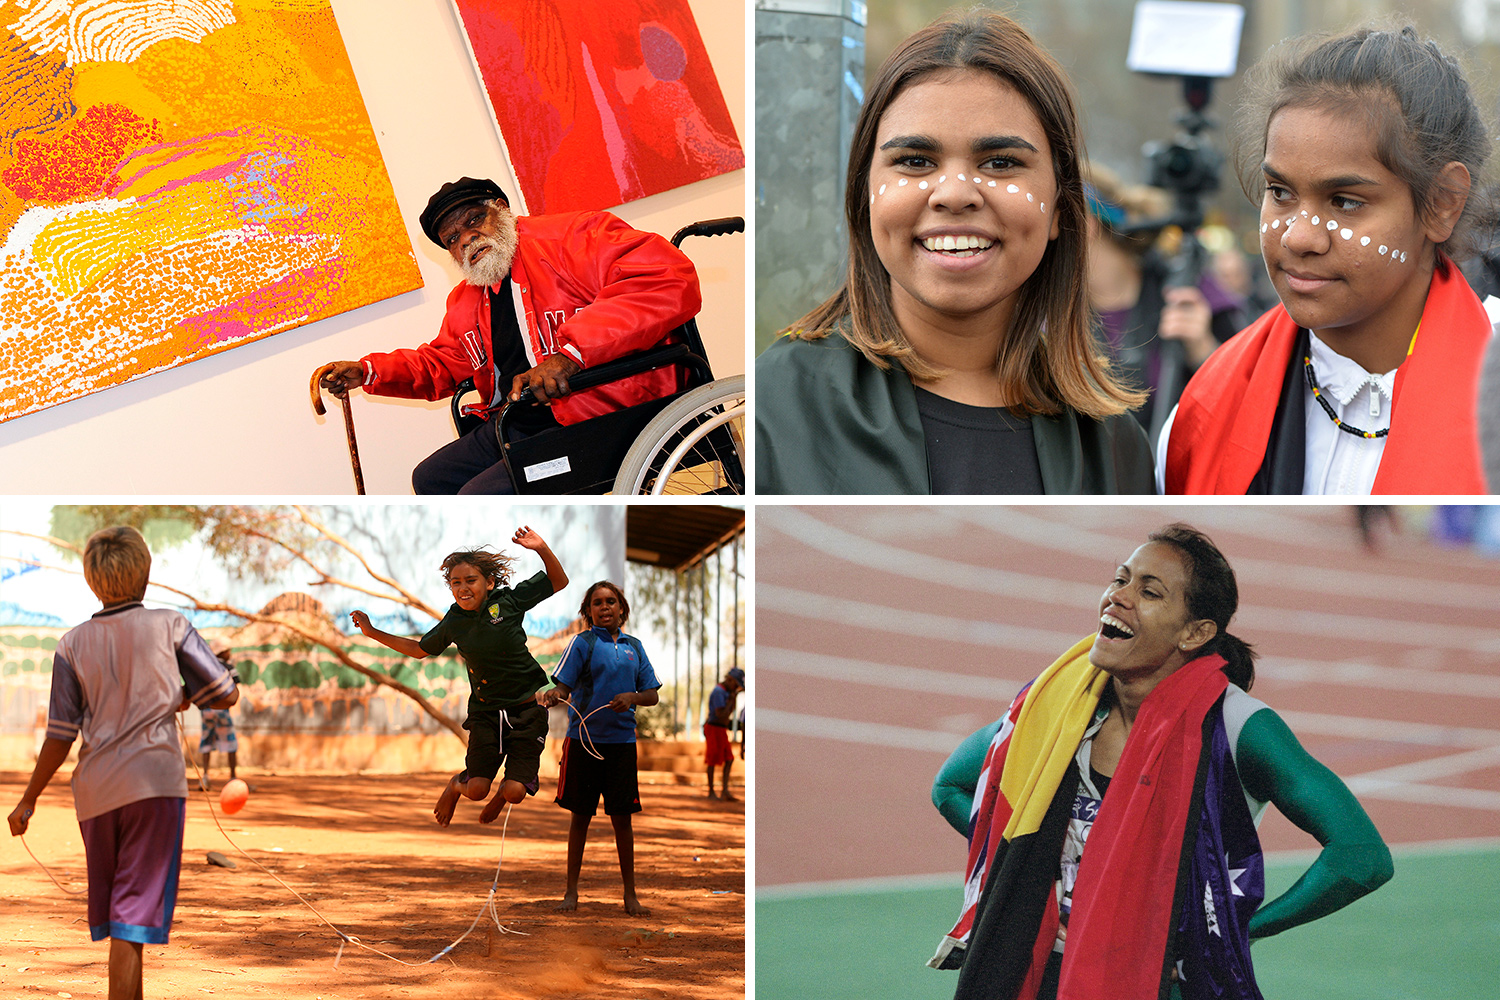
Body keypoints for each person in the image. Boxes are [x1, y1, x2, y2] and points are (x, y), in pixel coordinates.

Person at [927, 524, 1392, 1000]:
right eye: (1120, 579)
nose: (1119, 598)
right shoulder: (1058, 708)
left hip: (1158, 983)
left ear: (1195, 632)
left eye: (1149, 592)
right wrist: (1030, 866)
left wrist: (1236, 930)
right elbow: (951, 786)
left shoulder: (1237, 726)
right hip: (1044, 974)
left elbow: (1362, 858)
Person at [755, 11, 1153, 495]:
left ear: (1058, 210)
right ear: (863, 196)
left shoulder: (1112, 444)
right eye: (915, 161)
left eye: (1001, 162)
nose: (955, 193)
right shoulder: (772, 409)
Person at [1160, 25, 1493, 494]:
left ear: (1442, 203)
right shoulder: (1203, 409)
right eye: (1280, 192)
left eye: (1345, 201)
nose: (1299, 237)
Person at [316, 176, 701, 494]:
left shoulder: (572, 237)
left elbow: (665, 279)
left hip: (606, 410)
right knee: (431, 479)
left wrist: (570, 354)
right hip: (521, 420)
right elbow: (443, 362)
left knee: (477, 498)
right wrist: (368, 371)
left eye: (473, 220)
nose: (465, 239)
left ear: (501, 209)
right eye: (452, 239)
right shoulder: (468, 298)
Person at [7, 527, 238, 1000]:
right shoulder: (171, 625)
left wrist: (28, 799)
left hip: (96, 794)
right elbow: (224, 693)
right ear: (146, 575)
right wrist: (195, 685)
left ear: (93, 582)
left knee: (121, 919)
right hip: (154, 787)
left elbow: (60, 734)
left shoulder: (71, 644)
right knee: (132, 924)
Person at [350, 527, 566, 825]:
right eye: (455, 582)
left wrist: (541, 547)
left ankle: (503, 795)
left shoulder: (509, 603)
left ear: (489, 582)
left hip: (526, 713)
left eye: (470, 580)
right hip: (486, 714)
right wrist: (372, 632)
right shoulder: (454, 621)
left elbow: (559, 581)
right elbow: (418, 649)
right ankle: (455, 786)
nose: (463, 587)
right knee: (476, 789)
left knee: (516, 791)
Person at [1083, 166, 1246, 440]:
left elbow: (1253, 402)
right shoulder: (1042, 312)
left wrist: (1202, 349)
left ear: (1085, 223)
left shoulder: (1188, 288)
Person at [541, 581, 660, 915]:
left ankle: (630, 894)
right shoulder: (583, 643)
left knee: (623, 820)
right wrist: (555, 696)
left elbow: (652, 694)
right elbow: (563, 686)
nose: (605, 607)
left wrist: (632, 698)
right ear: (588, 611)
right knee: (580, 818)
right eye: (597, 603)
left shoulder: (635, 647)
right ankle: (571, 892)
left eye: (611, 601)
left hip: (622, 745)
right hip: (583, 743)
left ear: (621, 608)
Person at [197, 649, 240, 792]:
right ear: (223, 652)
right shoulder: (228, 667)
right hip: (222, 710)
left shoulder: (206, 666)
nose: (230, 653)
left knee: (206, 740)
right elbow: (234, 689)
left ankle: (205, 777)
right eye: (228, 651)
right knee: (230, 741)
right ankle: (233, 777)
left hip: (206, 710)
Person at [704, 666, 743, 800]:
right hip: (714, 727)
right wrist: (731, 700)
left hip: (721, 729)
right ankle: (711, 791)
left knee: (729, 758)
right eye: (736, 685)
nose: (736, 688)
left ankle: (724, 791)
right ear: (730, 680)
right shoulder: (719, 692)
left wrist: (733, 698)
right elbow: (721, 714)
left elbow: (728, 713)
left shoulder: (727, 692)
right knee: (712, 759)